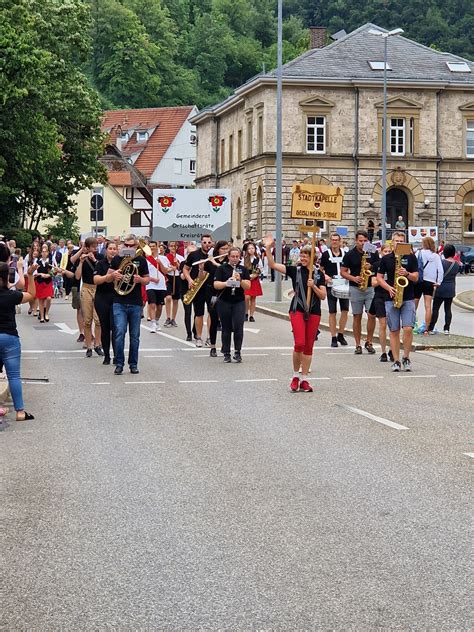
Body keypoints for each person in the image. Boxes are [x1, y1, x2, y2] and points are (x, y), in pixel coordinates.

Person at [264, 236, 326, 392]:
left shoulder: (319, 274)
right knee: (299, 343)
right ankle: (295, 376)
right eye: (302, 256)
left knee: (309, 346)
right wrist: (268, 248)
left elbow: (323, 296)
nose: (303, 258)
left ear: (313, 258)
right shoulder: (294, 270)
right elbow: (272, 264)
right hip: (297, 309)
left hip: (314, 311)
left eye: (306, 256)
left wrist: (314, 286)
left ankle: (304, 379)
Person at [0, 258, 37, 421]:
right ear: (5, 277)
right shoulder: (11, 295)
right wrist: (29, 275)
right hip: (9, 337)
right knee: (14, 376)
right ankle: (20, 411)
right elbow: (31, 295)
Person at [377, 231, 419, 372]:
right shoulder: (386, 258)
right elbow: (379, 277)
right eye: (397, 241)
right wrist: (388, 288)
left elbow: (416, 277)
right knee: (394, 330)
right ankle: (396, 360)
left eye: (402, 241)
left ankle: (406, 357)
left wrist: (406, 273)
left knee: (408, 328)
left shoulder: (411, 257)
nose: (399, 243)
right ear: (392, 242)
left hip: (407, 297)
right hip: (391, 297)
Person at [109, 234, 150, 375]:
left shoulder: (141, 260)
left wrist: (140, 280)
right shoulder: (117, 259)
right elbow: (108, 278)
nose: (128, 248)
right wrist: (114, 275)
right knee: (119, 333)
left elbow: (147, 279)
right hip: (119, 301)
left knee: (135, 335)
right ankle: (119, 363)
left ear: (136, 246)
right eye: (126, 245)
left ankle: (133, 364)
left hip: (135, 302)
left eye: (131, 246)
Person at [341, 230, 379, 355]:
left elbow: (379, 265)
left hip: (370, 288)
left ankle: (369, 341)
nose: (363, 243)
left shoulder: (372, 251)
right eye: (360, 241)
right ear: (356, 241)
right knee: (357, 316)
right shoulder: (350, 254)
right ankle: (357, 344)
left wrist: (371, 266)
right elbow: (343, 272)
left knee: (371, 315)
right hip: (355, 287)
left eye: (365, 241)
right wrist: (354, 278)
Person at [213, 247, 251, 363]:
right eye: (232, 256)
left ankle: (238, 352)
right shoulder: (222, 269)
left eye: (237, 257)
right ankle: (226, 352)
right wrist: (226, 283)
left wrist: (240, 280)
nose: (235, 259)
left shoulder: (243, 269)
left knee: (239, 326)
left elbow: (248, 286)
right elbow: (216, 284)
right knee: (226, 327)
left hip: (238, 301)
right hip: (224, 301)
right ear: (228, 257)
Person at [74, 237, 104, 357]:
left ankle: (98, 344)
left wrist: (95, 260)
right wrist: (81, 262)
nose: (95, 249)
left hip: (97, 288)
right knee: (87, 320)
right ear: (86, 248)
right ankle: (89, 346)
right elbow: (77, 276)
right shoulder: (82, 259)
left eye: (96, 246)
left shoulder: (100, 257)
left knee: (98, 320)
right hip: (86, 288)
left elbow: (103, 271)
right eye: (92, 247)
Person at [183, 235, 213, 347]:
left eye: (209, 242)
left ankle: (210, 337)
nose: (207, 244)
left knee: (212, 312)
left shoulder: (213, 255)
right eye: (204, 242)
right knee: (199, 313)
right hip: (198, 287)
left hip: (211, 287)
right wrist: (190, 280)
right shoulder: (194, 255)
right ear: (201, 243)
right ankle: (199, 337)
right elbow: (185, 269)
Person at [320, 233, 349, 348]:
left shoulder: (345, 254)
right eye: (333, 240)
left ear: (340, 241)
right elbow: (321, 269)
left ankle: (341, 334)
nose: (335, 242)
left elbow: (349, 268)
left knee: (345, 310)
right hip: (331, 285)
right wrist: (325, 276)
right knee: (332, 311)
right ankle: (333, 337)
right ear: (330, 241)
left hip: (344, 285)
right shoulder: (326, 254)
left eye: (337, 240)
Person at [93, 241, 118, 364]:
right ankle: (107, 355)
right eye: (110, 248)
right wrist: (107, 277)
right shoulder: (100, 264)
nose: (112, 251)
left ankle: (116, 355)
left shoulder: (120, 264)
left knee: (116, 327)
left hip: (116, 297)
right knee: (105, 327)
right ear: (106, 250)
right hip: (102, 297)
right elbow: (96, 279)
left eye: (115, 249)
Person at [414, 236, 444, 335]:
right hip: (430, 282)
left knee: (414, 305)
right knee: (428, 306)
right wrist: (438, 282)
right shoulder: (436, 256)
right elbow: (440, 270)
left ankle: (411, 325)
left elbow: (414, 265)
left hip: (419, 281)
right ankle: (427, 329)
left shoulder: (419, 253)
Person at [427, 244, 460, 335]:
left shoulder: (441, 262)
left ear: (444, 252)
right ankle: (447, 329)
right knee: (448, 309)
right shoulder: (456, 264)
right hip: (451, 288)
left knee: (435, 309)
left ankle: (431, 327)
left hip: (440, 288)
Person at [204, 240, 230, 357]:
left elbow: (228, 271)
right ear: (218, 249)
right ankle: (213, 346)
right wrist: (201, 268)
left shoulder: (228, 261)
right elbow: (203, 276)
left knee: (225, 320)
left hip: (224, 292)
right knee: (213, 318)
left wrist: (215, 263)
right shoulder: (210, 261)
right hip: (212, 292)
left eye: (226, 249)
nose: (225, 251)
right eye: (223, 249)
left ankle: (225, 347)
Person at [368, 243, 392, 361]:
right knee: (383, 324)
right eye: (385, 251)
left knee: (393, 325)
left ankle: (393, 349)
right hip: (379, 296)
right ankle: (383, 352)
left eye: (389, 251)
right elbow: (373, 283)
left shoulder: (394, 264)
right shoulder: (377, 265)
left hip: (391, 295)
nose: (387, 253)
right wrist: (381, 279)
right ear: (381, 253)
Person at [145, 241, 169, 333]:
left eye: (153, 246)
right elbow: (144, 274)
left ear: (157, 247)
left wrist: (160, 263)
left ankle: (157, 320)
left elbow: (166, 271)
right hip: (150, 285)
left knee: (159, 306)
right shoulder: (146, 259)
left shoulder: (163, 258)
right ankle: (153, 323)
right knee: (152, 304)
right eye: (150, 246)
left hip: (161, 285)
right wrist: (152, 279)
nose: (152, 248)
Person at [164, 241, 184, 328]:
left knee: (175, 300)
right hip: (169, 278)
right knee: (168, 297)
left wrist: (178, 265)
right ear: (168, 247)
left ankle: (173, 318)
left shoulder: (180, 257)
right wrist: (171, 268)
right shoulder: (165, 257)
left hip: (177, 278)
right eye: (171, 246)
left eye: (174, 246)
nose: (173, 247)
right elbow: (164, 269)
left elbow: (183, 269)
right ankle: (168, 317)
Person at [242, 242, 263, 322]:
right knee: (246, 297)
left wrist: (256, 274)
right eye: (249, 248)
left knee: (253, 298)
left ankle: (251, 315)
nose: (251, 250)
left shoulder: (257, 258)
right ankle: (245, 313)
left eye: (252, 248)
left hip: (254, 279)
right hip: (246, 279)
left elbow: (260, 268)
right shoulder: (244, 258)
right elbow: (241, 268)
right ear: (247, 250)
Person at [34, 243, 54, 323]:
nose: (44, 253)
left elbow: (55, 270)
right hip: (39, 282)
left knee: (48, 298)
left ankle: (46, 313)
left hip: (48, 282)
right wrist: (40, 274)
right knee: (41, 300)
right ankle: (42, 316)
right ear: (41, 253)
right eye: (42, 252)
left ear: (48, 253)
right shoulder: (37, 261)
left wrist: (49, 274)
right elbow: (34, 272)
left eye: (45, 251)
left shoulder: (51, 261)